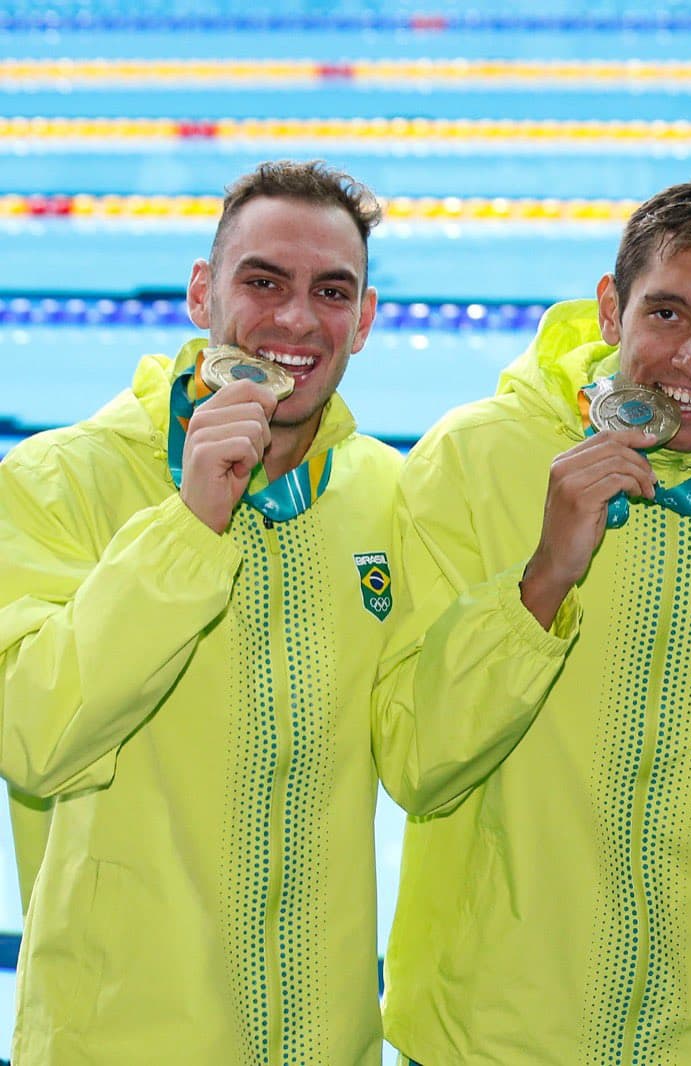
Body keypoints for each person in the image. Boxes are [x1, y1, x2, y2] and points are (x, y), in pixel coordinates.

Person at [377, 178, 691, 1064]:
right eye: (667, 314)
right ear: (611, 310)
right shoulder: (472, 458)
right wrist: (542, 583)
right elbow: (417, 761)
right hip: (487, 1041)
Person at [0, 160, 410, 1062]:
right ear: (201, 293)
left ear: (366, 320)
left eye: (330, 291)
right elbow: (33, 736)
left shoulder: (387, 496)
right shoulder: (54, 482)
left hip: (325, 1044)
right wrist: (188, 528)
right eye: (262, 281)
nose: (296, 319)